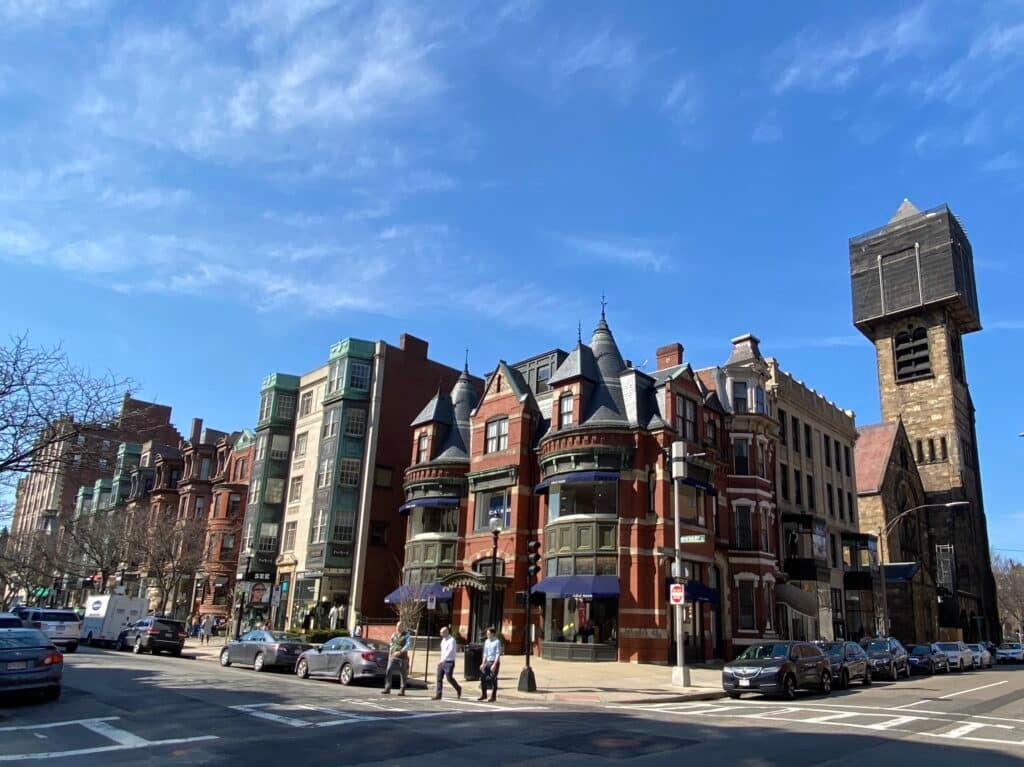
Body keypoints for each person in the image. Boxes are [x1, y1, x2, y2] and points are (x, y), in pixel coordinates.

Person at [381, 621, 412, 696]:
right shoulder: (394, 635)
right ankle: (387, 688)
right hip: (393, 656)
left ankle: (402, 690)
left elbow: (408, 645)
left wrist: (400, 651)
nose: (398, 627)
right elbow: (391, 644)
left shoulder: (406, 634)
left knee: (403, 673)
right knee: (389, 670)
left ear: (403, 627)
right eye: (397, 626)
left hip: (402, 656)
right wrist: (390, 654)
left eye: (400, 626)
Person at [432, 626, 462, 701]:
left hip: (449, 662)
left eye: (442, 633)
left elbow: (450, 651)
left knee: (449, 678)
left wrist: (443, 660)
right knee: (439, 678)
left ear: (446, 632)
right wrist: (441, 660)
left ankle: (458, 688)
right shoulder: (443, 641)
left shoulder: (452, 640)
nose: (440, 634)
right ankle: (438, 694)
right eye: (440, 633)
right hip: (442, 662)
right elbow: (443, 652)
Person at [479, 627, 501, 702]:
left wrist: (494, 664)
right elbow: (485, 653)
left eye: (488, 633)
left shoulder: (497, 642)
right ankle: (484, 694)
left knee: (493, 679)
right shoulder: (486, 641)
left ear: (493, 634)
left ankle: (493, 696)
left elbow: (498, 654)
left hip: (494, 662)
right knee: (483, 677)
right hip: (488, 662)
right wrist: (483, 663)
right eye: (487, 633)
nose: (487, 635)